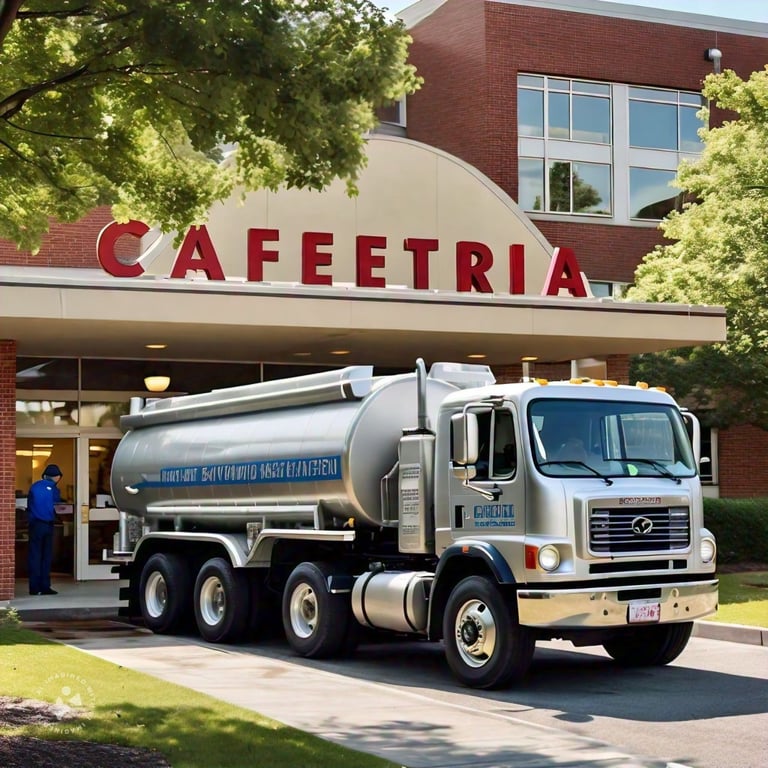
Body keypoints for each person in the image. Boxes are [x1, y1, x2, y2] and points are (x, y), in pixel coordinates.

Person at [27, 464, 62, 595]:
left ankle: (34, 588)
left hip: (35, 525)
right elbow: (57, 506)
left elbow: (29, 505)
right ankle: (45, 586)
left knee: (34, 556)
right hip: (48, 524)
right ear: (56, 477)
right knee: (46, 557)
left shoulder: (34, 486)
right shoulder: (54, 489)